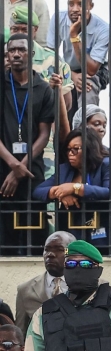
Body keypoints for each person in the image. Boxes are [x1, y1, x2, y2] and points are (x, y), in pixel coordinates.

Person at [1, 34, 55, 255]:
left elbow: (44, 134)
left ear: (31, 54)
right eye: (12, 50)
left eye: (21, 50)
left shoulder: (43, 89)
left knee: (34, 225)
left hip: (32, 169)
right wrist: (13, 166)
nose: (16, 54)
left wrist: (21, 167)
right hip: (4, 167)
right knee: (5, 229)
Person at [10, 6, 73, 180]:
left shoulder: (52, 60)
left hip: (44, 139)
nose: (20, 33)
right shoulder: (5, 58)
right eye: (15, 29)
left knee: (44, 188)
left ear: (35, 30)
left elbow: (66, 105)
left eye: (25, 29)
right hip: (8, 137)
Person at [33, 129, 111, 250]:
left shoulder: (106, 164)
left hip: (101, 231)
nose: (70, 153)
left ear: (89, 149)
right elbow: (38, 191)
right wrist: (61, 192)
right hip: (72, 230)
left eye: (75, 149)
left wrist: (75, 187)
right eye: (68, 149)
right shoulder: (65, 169)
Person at [48, 0, 109, 116]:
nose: (75, 9)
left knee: (87, 86)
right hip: (69, 68)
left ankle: (87, 129)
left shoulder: (103, 29)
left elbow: (91, 69)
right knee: (55, 85)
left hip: (96, 69)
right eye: (71, 4)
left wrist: (74, 36)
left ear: (91, 6)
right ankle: (63, 129)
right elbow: (50, 55)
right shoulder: (58, 18)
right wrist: (71, 75)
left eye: (80, 4)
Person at [15, 231, 74, 333]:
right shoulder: (25, 290)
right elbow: (21, 332)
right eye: (47, 249)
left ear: (73, 253)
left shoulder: (89, 286)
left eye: (59, 249)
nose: (50, 254)